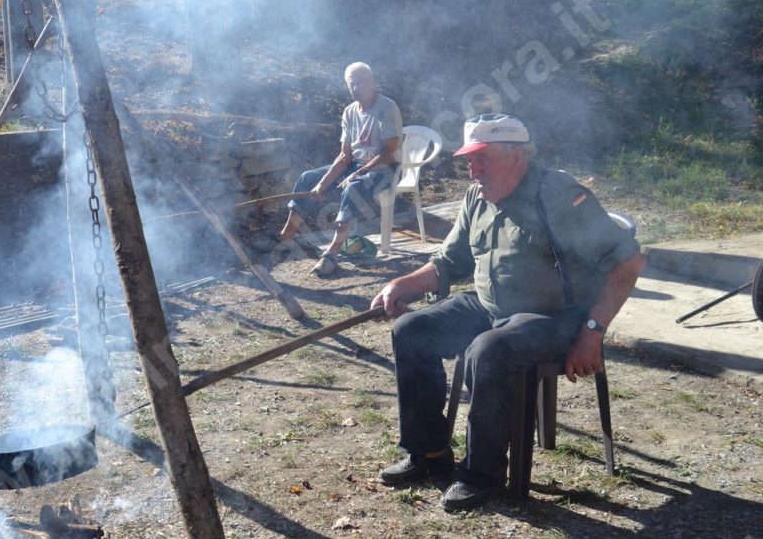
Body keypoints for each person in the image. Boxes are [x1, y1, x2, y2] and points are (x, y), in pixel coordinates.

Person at [370, 113, 646, 512]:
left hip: (557, 317)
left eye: (482, 158)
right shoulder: (476, 196)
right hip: (490, 306)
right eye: (469, 158)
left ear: (517, 157)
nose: (472, 168)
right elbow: (449, 261)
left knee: (489, 349)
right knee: (412, 330)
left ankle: (483, 475)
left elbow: (629, 264)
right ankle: (429, 454)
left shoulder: (558, 196)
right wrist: (401, 286)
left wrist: (592, 331)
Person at [277, 62, 403, 277]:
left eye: (361, 82)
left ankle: (332, 255)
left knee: (353, 187)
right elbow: (345, 156)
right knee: (308, 177)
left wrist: (358, 173)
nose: (356, 87)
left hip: (385, 168)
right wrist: (322, 183)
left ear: (372, 82)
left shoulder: (387, 108)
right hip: (355, 164)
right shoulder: (349, 112)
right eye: (351, 83)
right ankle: (286, 237)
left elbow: (389, 153)